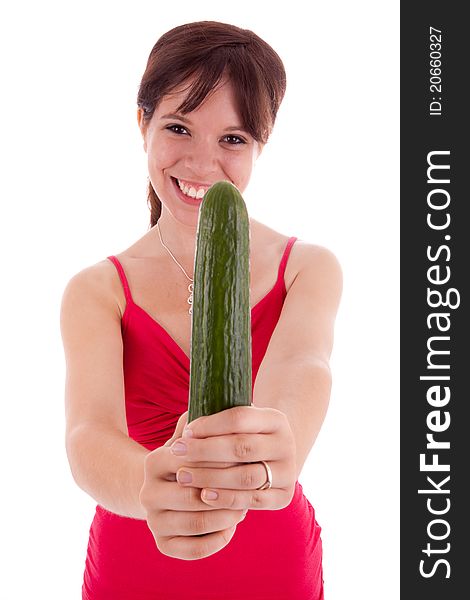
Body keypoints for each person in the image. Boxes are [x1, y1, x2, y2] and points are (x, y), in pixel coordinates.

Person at [60, 20, 342, 600]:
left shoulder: (307, 267)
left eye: (233, 139)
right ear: (142, 124)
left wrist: (277, 443)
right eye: (178, 127)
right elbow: (90, 433)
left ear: (261, 146)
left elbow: (303, 369)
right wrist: (153, 482)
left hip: (272, 567)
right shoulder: (96, 289)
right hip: (135, 564)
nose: (201, 162)